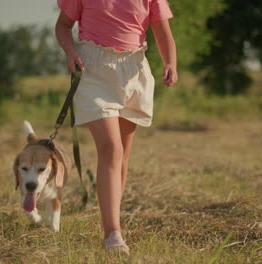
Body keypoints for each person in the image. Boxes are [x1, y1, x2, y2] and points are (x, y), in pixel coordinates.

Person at [55, 0, 177, 254]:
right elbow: (63, 26)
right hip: (94, 69)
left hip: (133, 71)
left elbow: (163, 32)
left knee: (121, 155)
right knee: (111, 148)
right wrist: (70, 52)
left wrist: (170, 62)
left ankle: (113, 223)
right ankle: (112, 234)